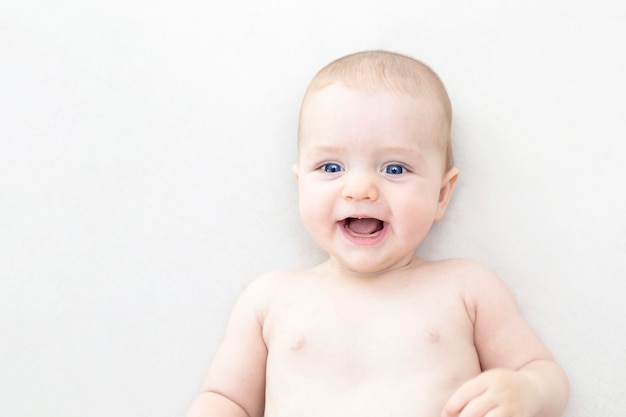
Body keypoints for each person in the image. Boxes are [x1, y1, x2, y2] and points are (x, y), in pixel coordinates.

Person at [187, 50, 569, 417]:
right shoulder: (269, 299)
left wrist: (527, 392)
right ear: (300, 183)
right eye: (331, 166)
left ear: (441, 195)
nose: (360, 189)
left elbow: (543, 373)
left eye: (395, 169)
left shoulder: (466, 288)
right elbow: (225, 397)